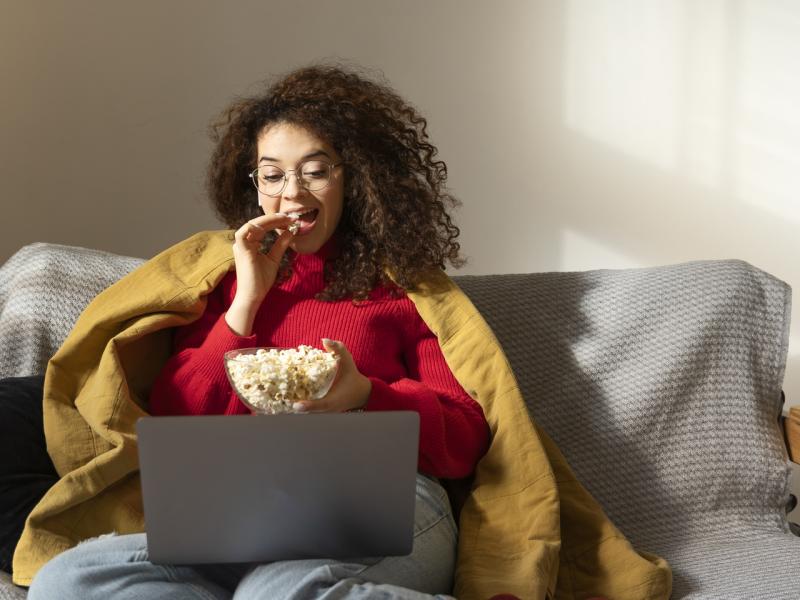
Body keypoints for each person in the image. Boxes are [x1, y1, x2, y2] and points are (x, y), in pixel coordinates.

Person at [25, 63, 490, 599]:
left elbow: (464, 440)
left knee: (276, 591)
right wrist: (246, 302)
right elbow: (180, 422)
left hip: (385, 504)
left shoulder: (404, 291)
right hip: (241, 507)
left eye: (315, 171)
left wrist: (366, 395)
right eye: (272, 174)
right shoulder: (224, 283)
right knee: (69, 579)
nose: (291, 192)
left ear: (357, 177)